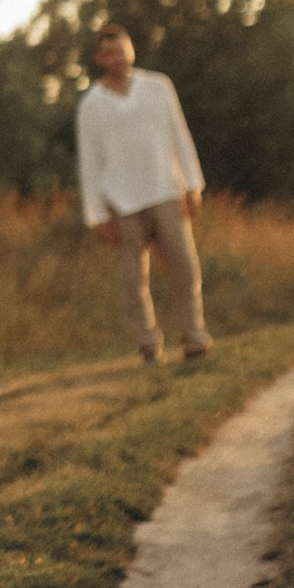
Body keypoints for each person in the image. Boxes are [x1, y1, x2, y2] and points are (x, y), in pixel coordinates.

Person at [75, 23, 209, 363]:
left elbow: (180, 134)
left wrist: (192, 184)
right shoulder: (91, 104)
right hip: (121, 200)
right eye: (110, 52)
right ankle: (148, 345)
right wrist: (97, 215)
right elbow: (89, 163)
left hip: (165, 188)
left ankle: (193, 338)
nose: (118, 57)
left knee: (184, 266)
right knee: (133, 280)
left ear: (132, 50)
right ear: (99, 58)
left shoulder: (158, 87)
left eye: (123, 49)